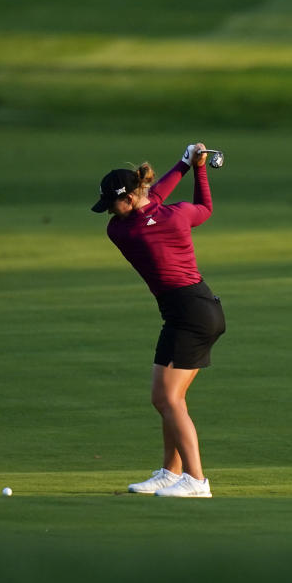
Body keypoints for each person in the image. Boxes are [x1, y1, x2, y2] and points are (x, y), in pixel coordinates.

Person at [91, 143, 226, 498]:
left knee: (168, 399)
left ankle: (196, 482)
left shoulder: (124, 232)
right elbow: (202, 208)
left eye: (112, 204)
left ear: (130, 198)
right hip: (198, 307)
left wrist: (185, 165)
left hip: (189, 315)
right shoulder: (176, 215)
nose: (109, 213)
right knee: (166, 397)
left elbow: (152, 200)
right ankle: (171, 471)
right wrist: (193, 167)